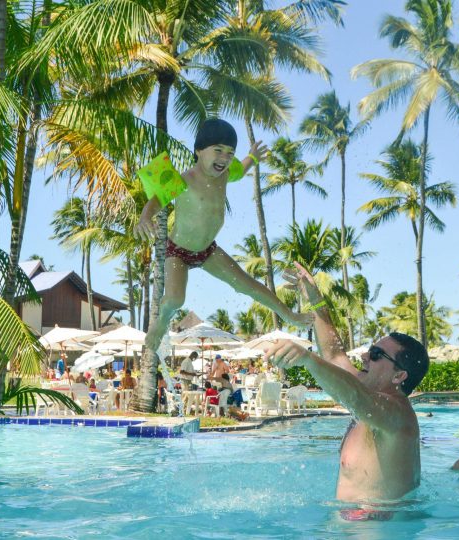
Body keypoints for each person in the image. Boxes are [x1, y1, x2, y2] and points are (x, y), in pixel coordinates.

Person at [264, 262, 430, 516]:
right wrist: (316, 300)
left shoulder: (398, 415)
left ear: (400, 375)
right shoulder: (369, 393)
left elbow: (354, 396)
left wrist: (307, 359)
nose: (364, 355)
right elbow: (333, 354)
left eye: (375, 354)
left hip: (377, 531)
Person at [134, 118, 312, 353]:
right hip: (177, 251)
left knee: (249, 285)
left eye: (230, 153)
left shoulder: (226, 174)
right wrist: (145, 217)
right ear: (198, 151)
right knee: (176, 299)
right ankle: (162, 322)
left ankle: (289, 315)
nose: (225, 158)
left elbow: (242, 168)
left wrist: (253, 157)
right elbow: (157, 200)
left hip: (208, 250)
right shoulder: (183, 179)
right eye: (218, 150)